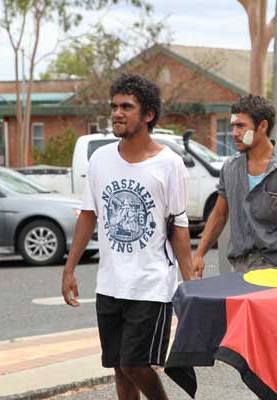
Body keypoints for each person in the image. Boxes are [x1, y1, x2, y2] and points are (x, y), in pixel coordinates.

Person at [61, 74, 196, 400]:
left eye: (126, 107)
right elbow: (89, 216)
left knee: (135, 364)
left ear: (148, 114)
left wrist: (190, 285)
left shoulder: (169, 164)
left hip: (151, 284)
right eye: (114, 107)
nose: (117, 113)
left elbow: (178, 226)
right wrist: (69, 269)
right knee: (120, 368)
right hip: (110, 283)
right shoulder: (100, 159)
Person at [192, 94, 277, 274]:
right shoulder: (230, 167)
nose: (234, 133)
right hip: (240, 270)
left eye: (241, 126)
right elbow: (219, 215)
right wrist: (199, 254)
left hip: (276, 269)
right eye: (233, 126)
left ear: (262, 126)